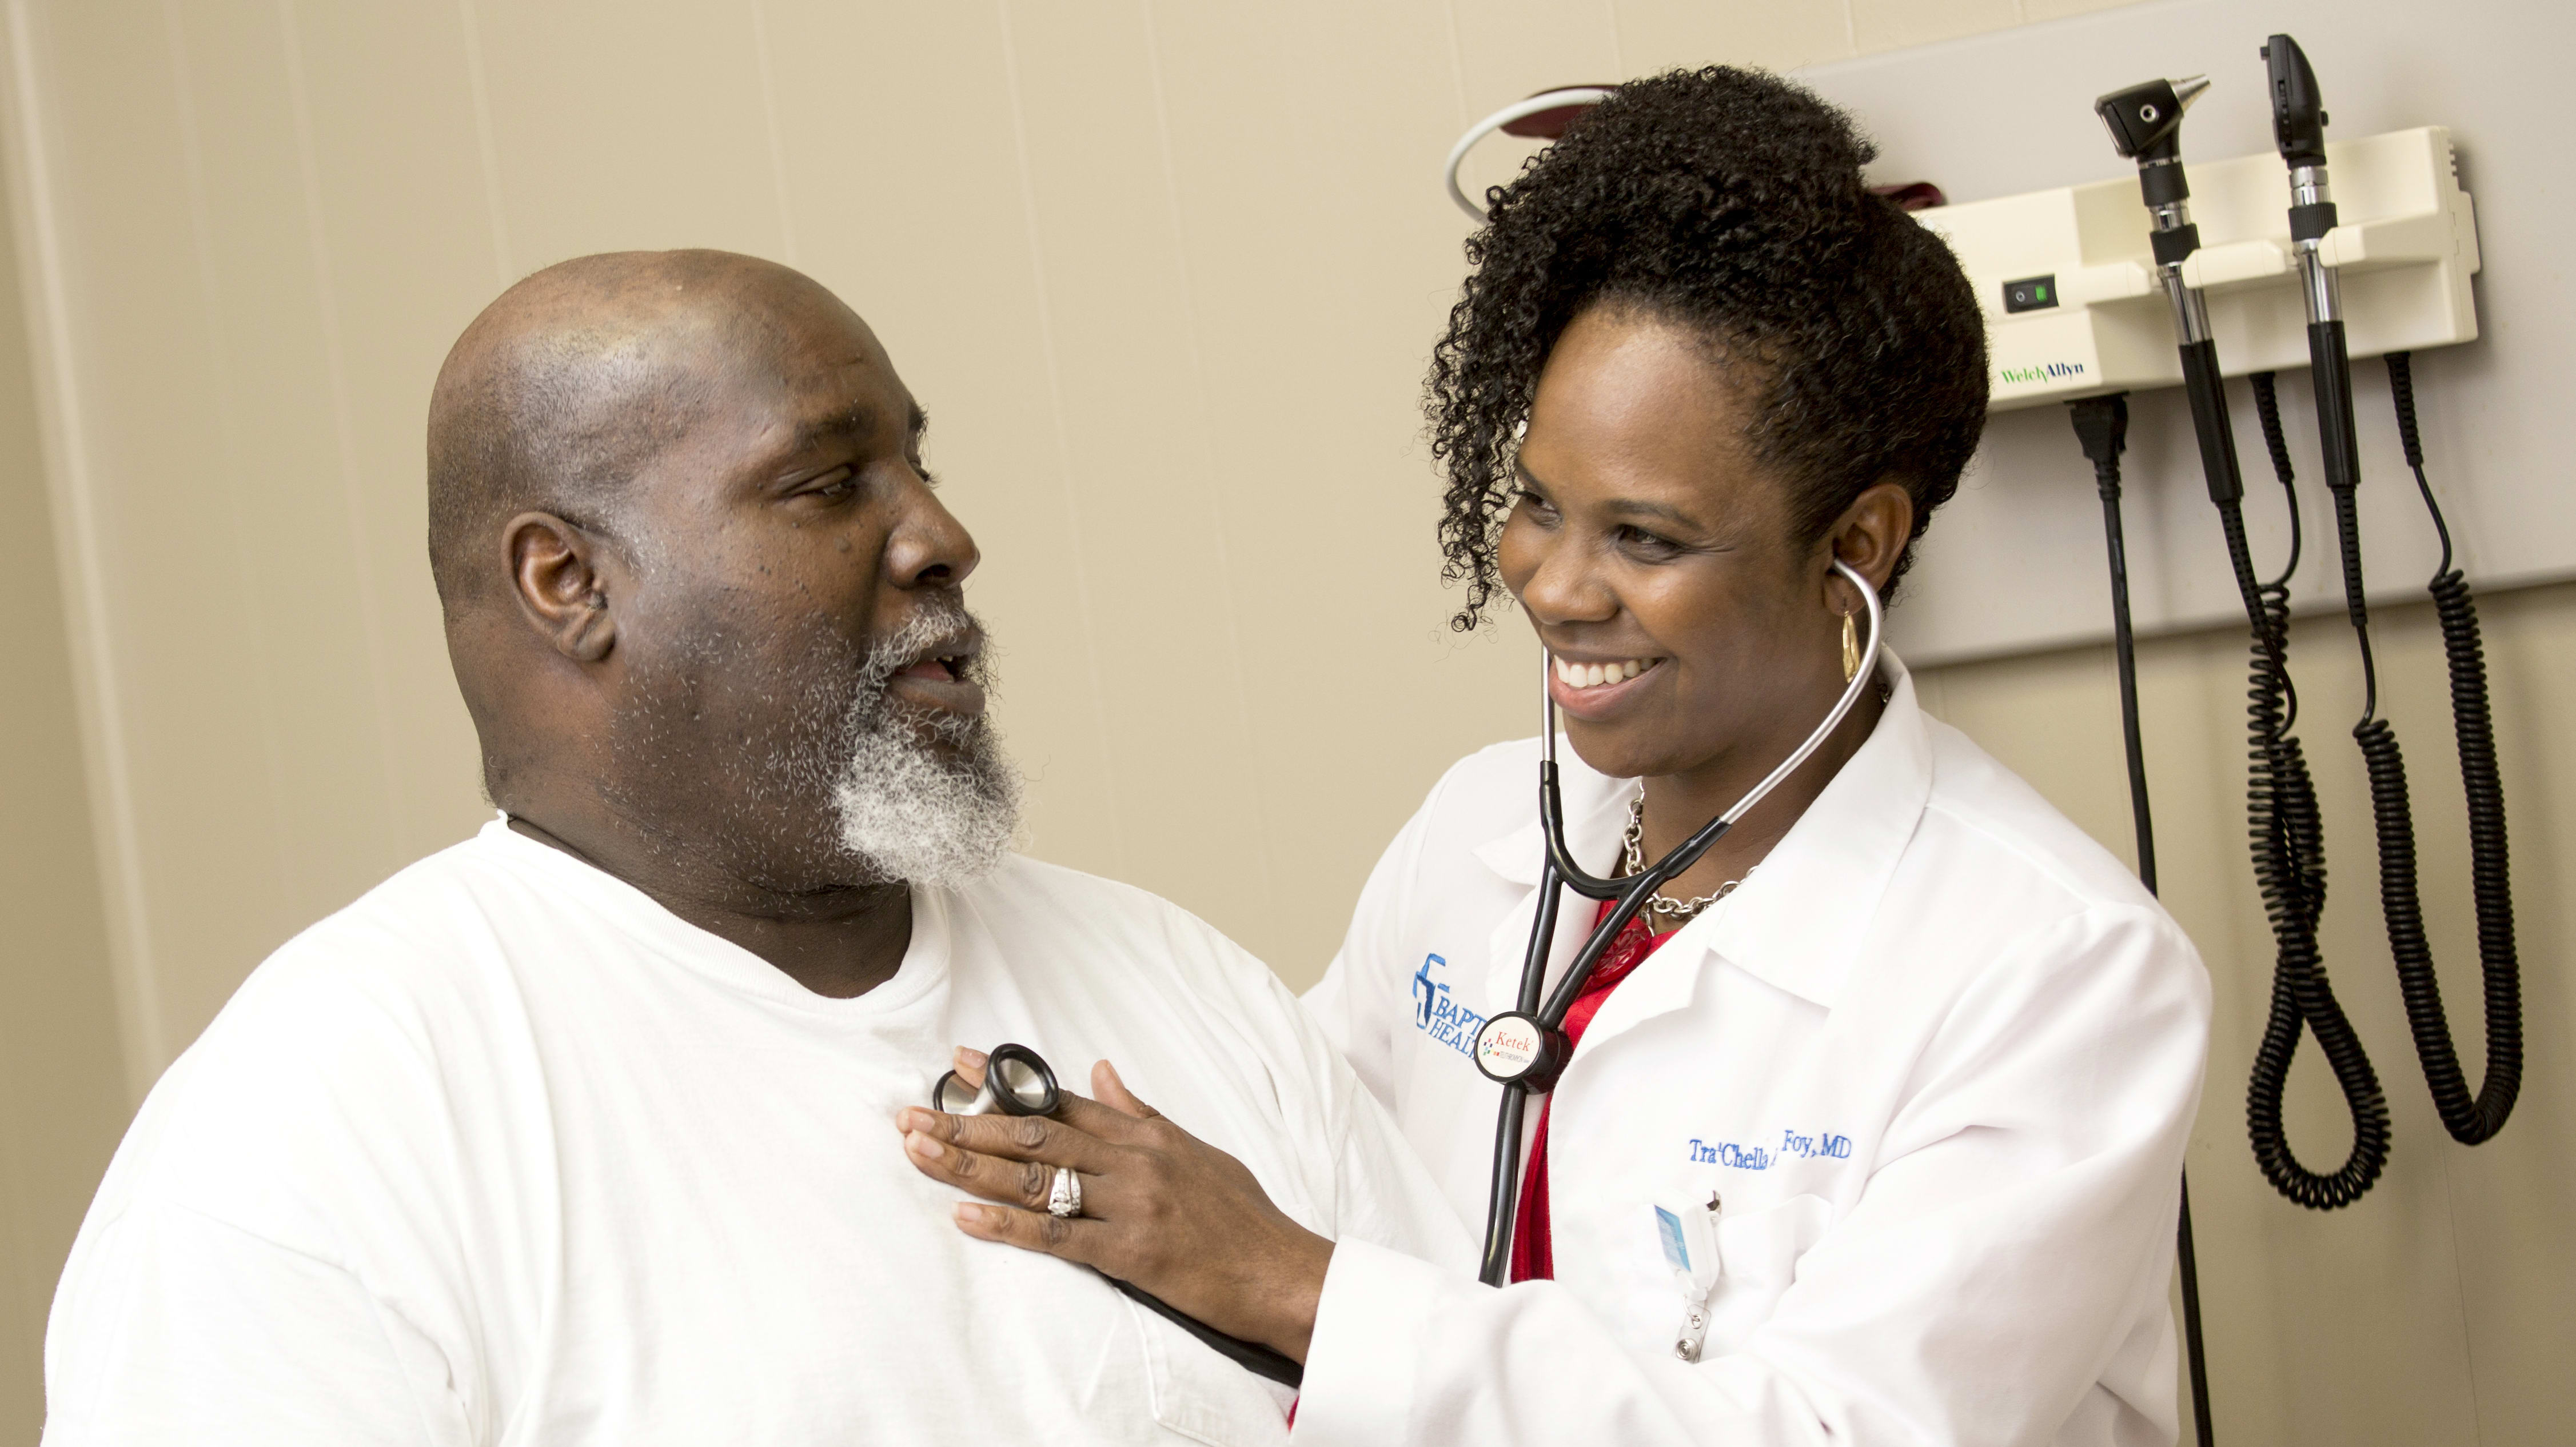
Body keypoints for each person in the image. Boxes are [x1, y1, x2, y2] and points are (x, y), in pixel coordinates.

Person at [899, 69, 2213, 1446]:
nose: (1556, 586)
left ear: (1859, 546)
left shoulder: (2057, 972)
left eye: (1645, 538)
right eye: (1536, 503)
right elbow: (1305, 1156)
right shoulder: (1483, 832)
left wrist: (1294, 1289)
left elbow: (1841, 1431)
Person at [41, 250, 1465, 1445]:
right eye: (828, 483)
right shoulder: (330, 1126)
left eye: (919, 464)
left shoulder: (1179, 988)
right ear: (569, 581)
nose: (942, 535)